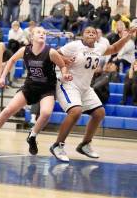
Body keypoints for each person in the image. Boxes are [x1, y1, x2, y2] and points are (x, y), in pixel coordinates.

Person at [0, 27, 72, 154]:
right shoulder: (25, 50)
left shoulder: (51, 52)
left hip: (47, 89)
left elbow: (62, 65)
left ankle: (32, 135)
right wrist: (2, 77)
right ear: (32, 37)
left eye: (44, 33)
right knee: (7, 110)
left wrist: (64, 75)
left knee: (46, 113)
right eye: (39, 32)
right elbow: (11, 60)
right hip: (30, 87)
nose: (42, 34)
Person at [49, 26, 137, 162]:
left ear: (96, 36)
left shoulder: (99, 47)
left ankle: (85, 144)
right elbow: (53, 54)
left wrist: (127, 37)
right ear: (82, 35)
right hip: (68, 84)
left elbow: (113, 49)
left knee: (99, 113)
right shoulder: (74, 45)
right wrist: (64, 61)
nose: (91, 33)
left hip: (85, 87)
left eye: (93, 32)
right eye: (87, 32)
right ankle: (57, 145)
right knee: (76, 111)